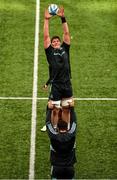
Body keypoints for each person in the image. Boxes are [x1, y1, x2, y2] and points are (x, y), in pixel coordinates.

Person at [43, 6, 74, 131]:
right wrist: (46, 20)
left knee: (67, 108)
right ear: (51, 44)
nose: (55, 42)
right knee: (55, 110)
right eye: (53, 41)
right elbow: (46, 37)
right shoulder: (49, 52)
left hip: (67, 83)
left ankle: (65, 129)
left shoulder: (65, 48)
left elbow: (66, 33)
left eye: (57, 41)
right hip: (56, 85)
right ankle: (55, 129)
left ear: (60, 42)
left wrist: (63, 18)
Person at [46, 107, 77, 179]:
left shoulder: (54, 136)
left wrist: (49, 109)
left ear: (58, 129)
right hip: (70, 168)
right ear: (67, 128)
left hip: (57, 168)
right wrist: (72, 109)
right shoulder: (71, 135)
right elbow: (74, 122)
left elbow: (48, 123)